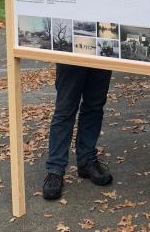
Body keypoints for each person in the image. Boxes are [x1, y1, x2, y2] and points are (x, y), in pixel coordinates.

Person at [42, 64, 113, 200]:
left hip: (101, 54)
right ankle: (55, 170)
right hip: (70, 52)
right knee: (65, 108)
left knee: (95, 105)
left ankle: (87, 161)